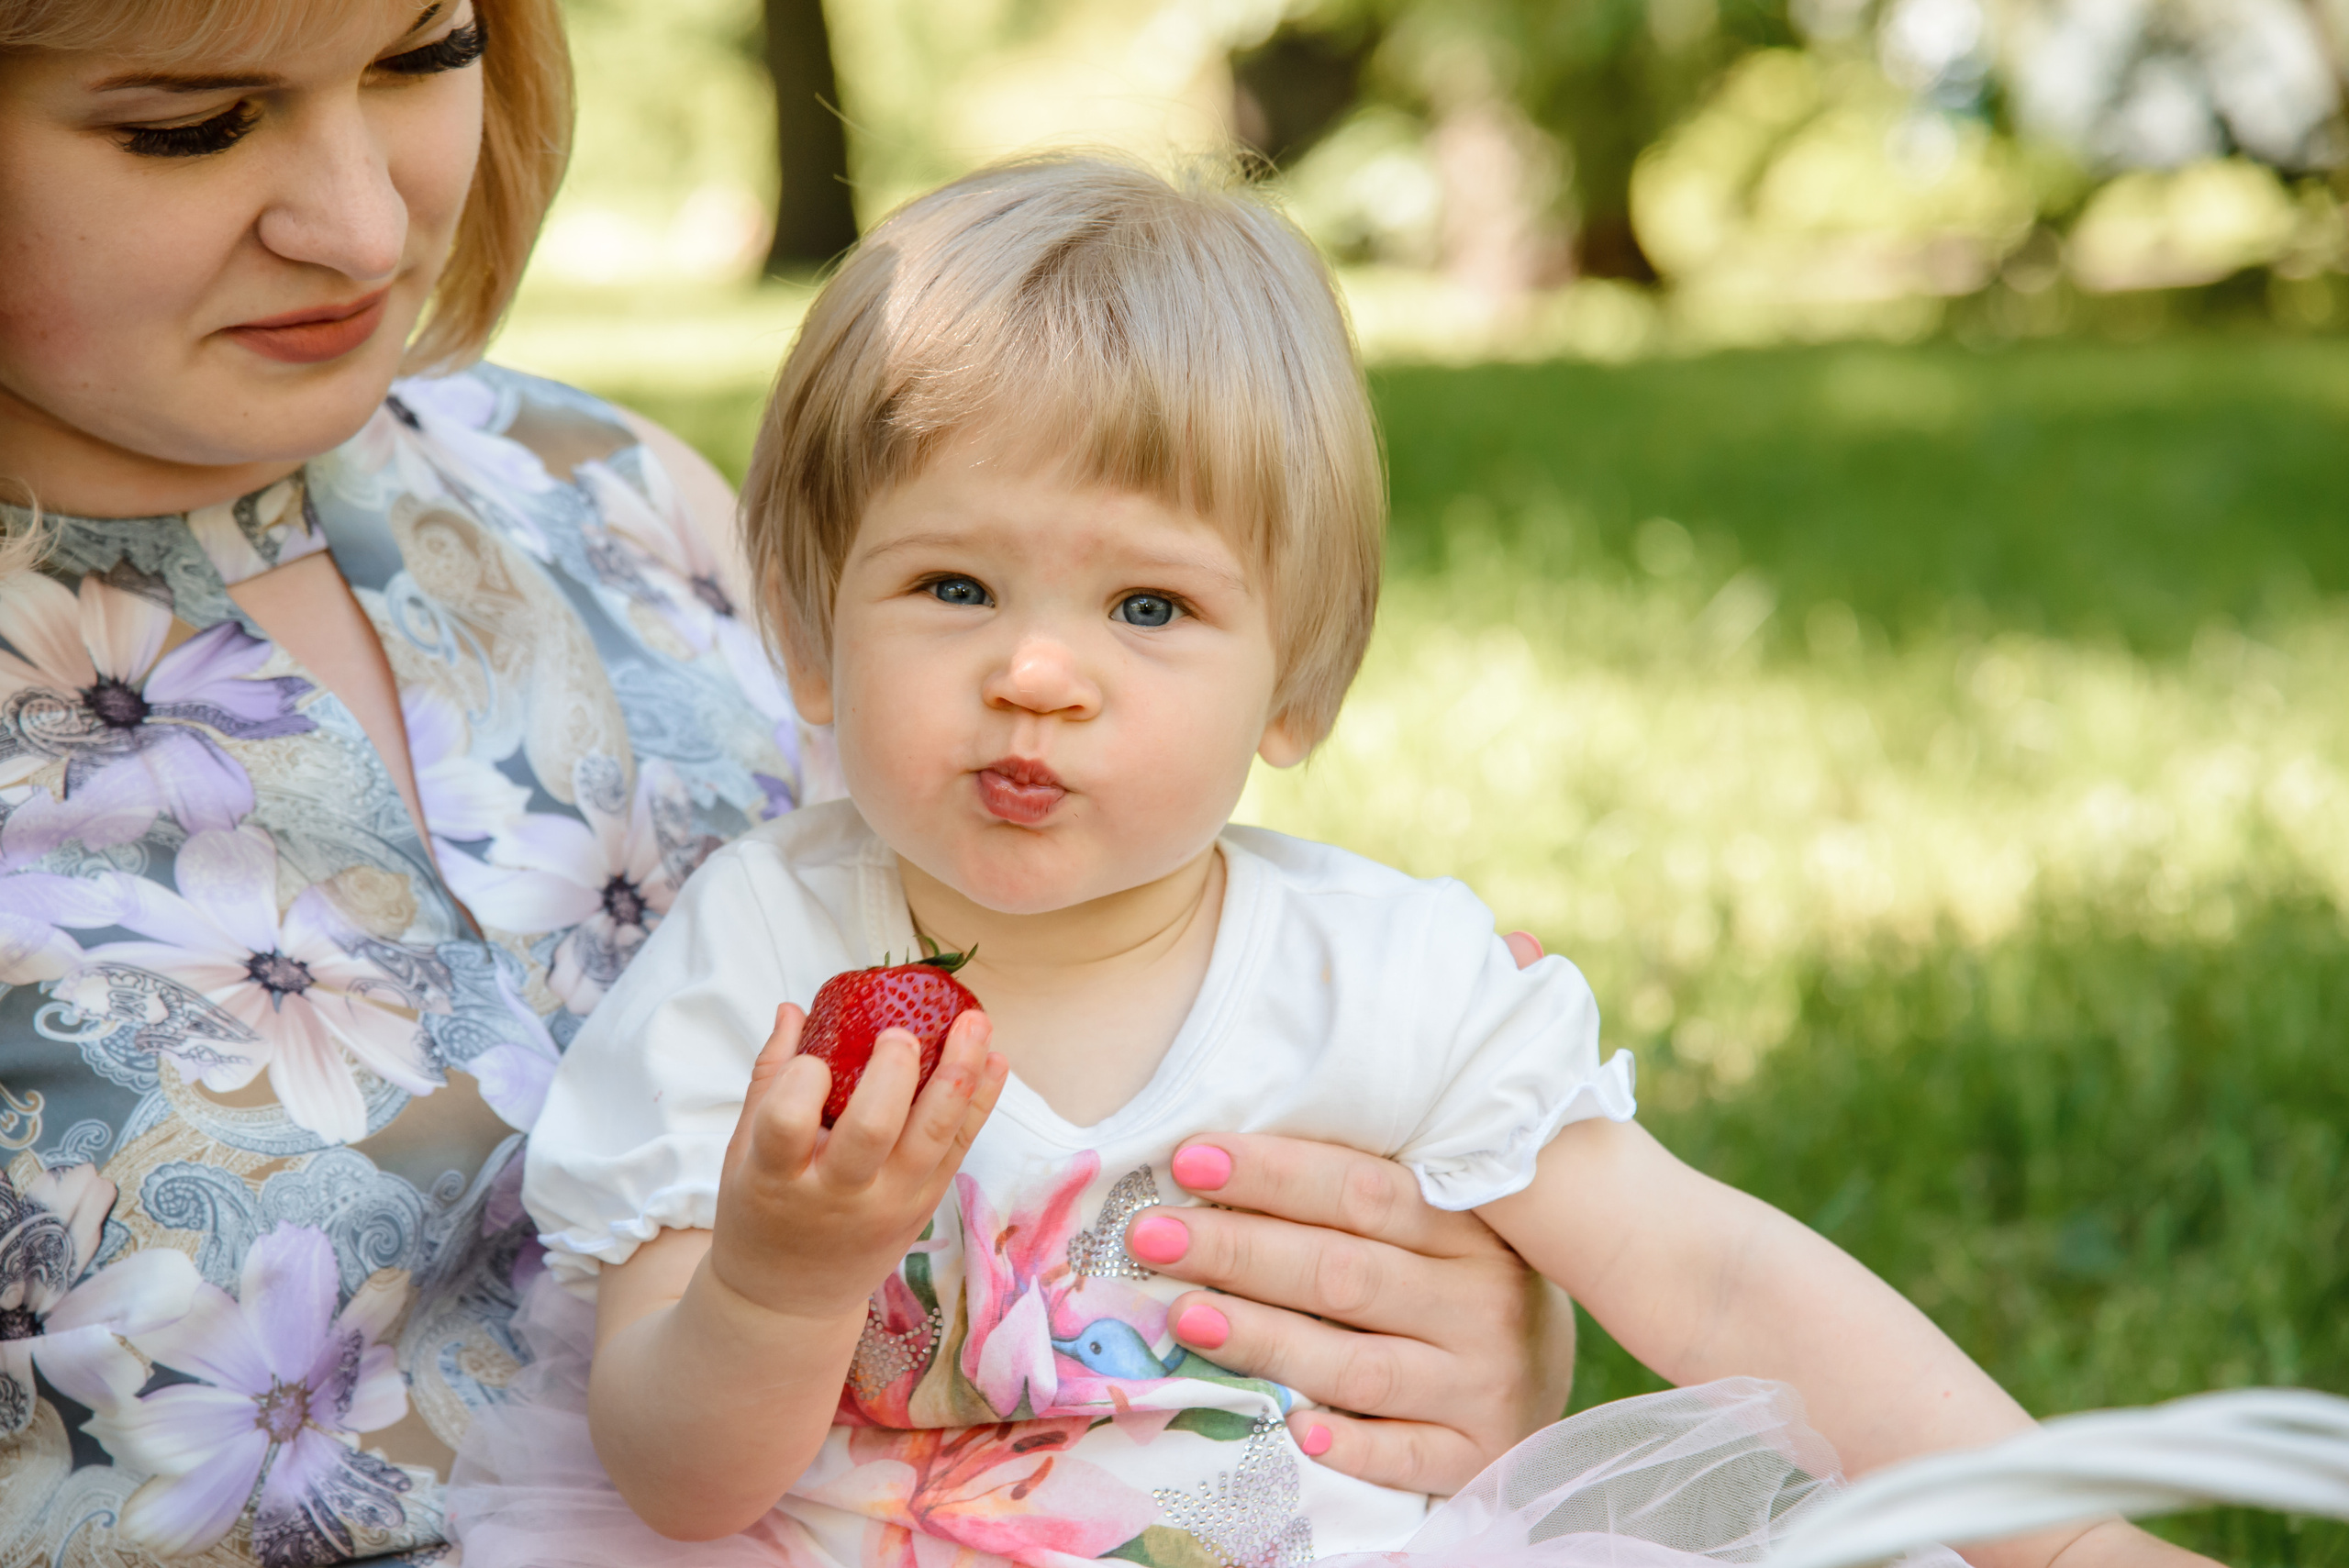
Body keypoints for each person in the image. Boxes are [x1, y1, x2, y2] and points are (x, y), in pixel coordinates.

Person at [455, 158, 2214, 1568]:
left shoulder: (1384, 975)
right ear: (812, 638)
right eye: (954, 585)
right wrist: (777, 1274)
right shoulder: (758, 953)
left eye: (1150, 605)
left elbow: (1720, 1275)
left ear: (1294, 681)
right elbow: (677, 1484)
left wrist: (2059, 1533)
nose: (1037, 670)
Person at [0, 6, 1576, 1562]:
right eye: (184, 126)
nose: (358, 222)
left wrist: (1437, 1322)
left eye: (424, 54)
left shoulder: (611, 504)